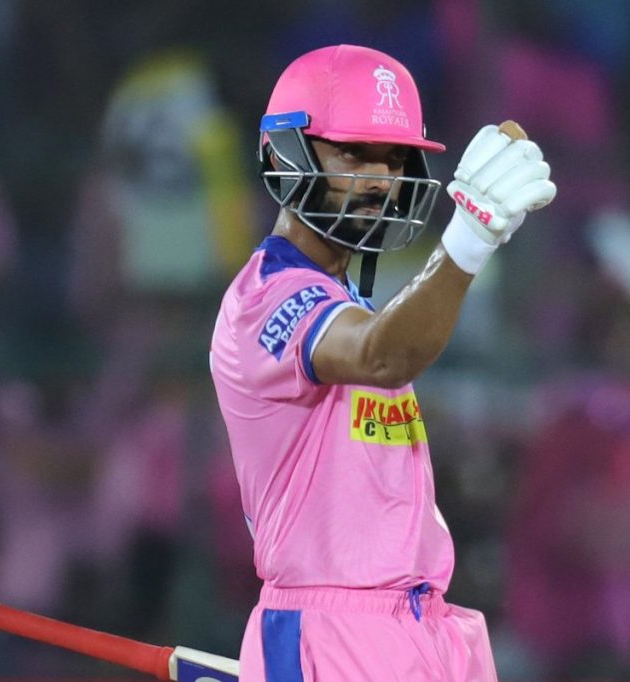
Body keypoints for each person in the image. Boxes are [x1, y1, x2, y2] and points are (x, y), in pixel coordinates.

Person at [208, 44, 555, 681]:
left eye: (393, 158)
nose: (378, 178)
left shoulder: (347, 299)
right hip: (331, 634)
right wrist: (469, 236)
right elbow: (381, 356)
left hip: (424, 626)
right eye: (353, 153)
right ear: (284, 154)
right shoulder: (265, 298)